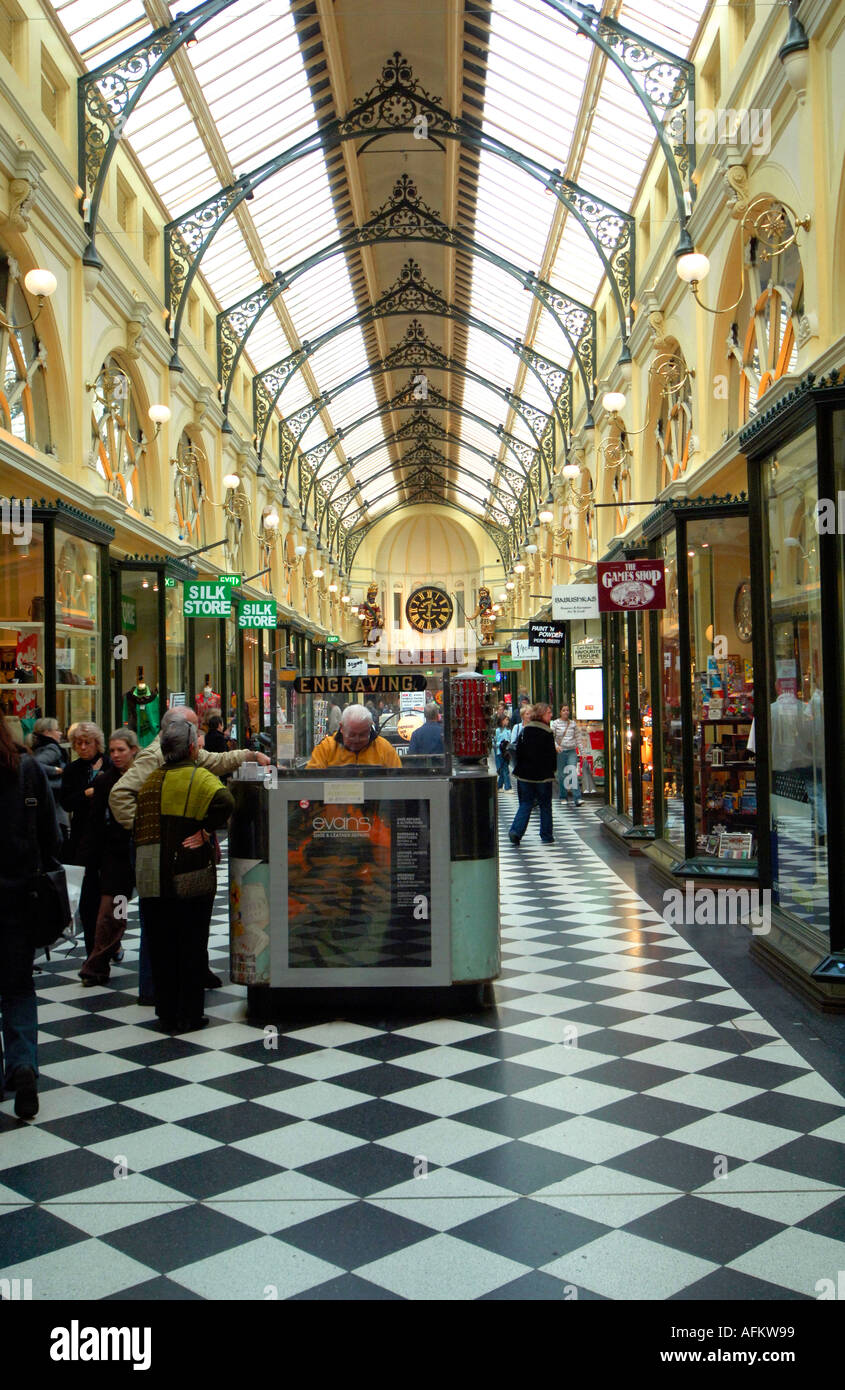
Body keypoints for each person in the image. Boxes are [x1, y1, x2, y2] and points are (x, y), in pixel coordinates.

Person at [109, 706, 269, 1003]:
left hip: (176, 850)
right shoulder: (154, 758)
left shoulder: (185, 755)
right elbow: (120, 794)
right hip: (156, 851)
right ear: (180, 733)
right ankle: (155, 990)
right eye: (197, 729)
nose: (201, 735)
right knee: (159, 923)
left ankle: (186, 982)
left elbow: (216, 761)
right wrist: (146, 827)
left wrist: (249, 755)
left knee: (182, 921)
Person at [135, 718, 235, 1033]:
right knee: (191, 945)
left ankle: (166, 1011)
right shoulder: (199, 778)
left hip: (152, 876)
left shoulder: (151, 780)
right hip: (188, 874)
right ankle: (190, 1013)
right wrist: (205, 831)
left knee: (162, 946)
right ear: (192, 747)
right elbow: (226, 801)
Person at [0, 708, 62, 1119]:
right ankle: (22, 1065)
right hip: (19, 897)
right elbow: (50, 834)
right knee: (18, 987)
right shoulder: (26, 769)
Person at [79, 728, 139, 986]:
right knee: (114, 911)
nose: (115, 755)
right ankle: (96, 964)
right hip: (116, 856)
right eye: (112, 750)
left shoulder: (143, 777)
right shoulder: (104, 781)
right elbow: (96, 822)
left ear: (133, 751)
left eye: (121, 750)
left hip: (140, 852)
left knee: (119, 911)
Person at [60, 722, 110, 956]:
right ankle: (93, 951)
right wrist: (89, 790)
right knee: (88, 900)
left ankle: (113, 941)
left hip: (111, 840)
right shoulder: (72, 770)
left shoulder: (110, 764)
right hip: (84, 841)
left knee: (116, 898)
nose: (82, 747)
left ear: (96, 743)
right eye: (78, 743)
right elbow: (67, 801)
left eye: (86, 742)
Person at [508, 702, 557, 846]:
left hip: (525, 774)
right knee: (545, 805)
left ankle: (516, 831)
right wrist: (552, 770)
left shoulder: (526, 730)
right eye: (548, 712)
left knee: (526, 803)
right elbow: (551, 755)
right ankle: (546, 835)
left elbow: (520, 752)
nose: (550, 715)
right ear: (541, 714)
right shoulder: (547, 733)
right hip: (542, 776)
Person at [307, 705, 401, 768]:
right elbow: (310, 783)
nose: (357, 740)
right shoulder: (326, 749)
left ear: (370, 727)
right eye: (352, 735)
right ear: (341, 728)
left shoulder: (384, 748)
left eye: (363, 735)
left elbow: (399, 783)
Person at [27, 717, 70, 847]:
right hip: (54, 801)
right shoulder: (52, 748)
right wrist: (56, 770)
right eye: (57, 730)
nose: (60, 733)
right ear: (47, 732)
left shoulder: (36, 746)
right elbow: (35, 764)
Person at [551, 703, 582, 806]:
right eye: (564, 710)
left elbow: (578, 738)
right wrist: (556, 746)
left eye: (567, 710)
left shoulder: (573, 724)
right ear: (560, 712)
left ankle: (577, 798)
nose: (566, 712)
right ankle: (563, 796)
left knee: (572, 772)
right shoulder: (555, 723)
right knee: (562, 775)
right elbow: (552, 737)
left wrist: (582, 752)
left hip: (572, 751)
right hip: (561, 752)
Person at [494, 712, 513, 790]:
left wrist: (507, 743)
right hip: (500, 752)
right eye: (506, 720)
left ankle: (499, 786)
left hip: (506, 752)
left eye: (508, 720)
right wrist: (501, 743)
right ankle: (508, 787)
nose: (507, 721)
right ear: (502, 721)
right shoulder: (497, 730)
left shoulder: (508, 730)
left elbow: (510, 740)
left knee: (503, 769)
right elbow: (495, 742)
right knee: (505, 769)